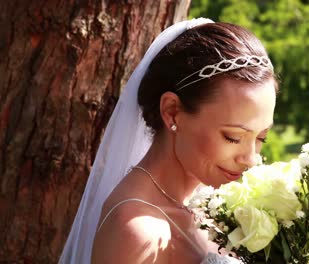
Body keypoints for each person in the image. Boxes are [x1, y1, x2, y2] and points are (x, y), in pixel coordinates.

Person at [59, 18, 277, 263]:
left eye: (261, 138)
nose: (250, 160)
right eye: (233, 137)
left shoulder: (217, 205)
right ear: (172, 111)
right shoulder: (137, 232)